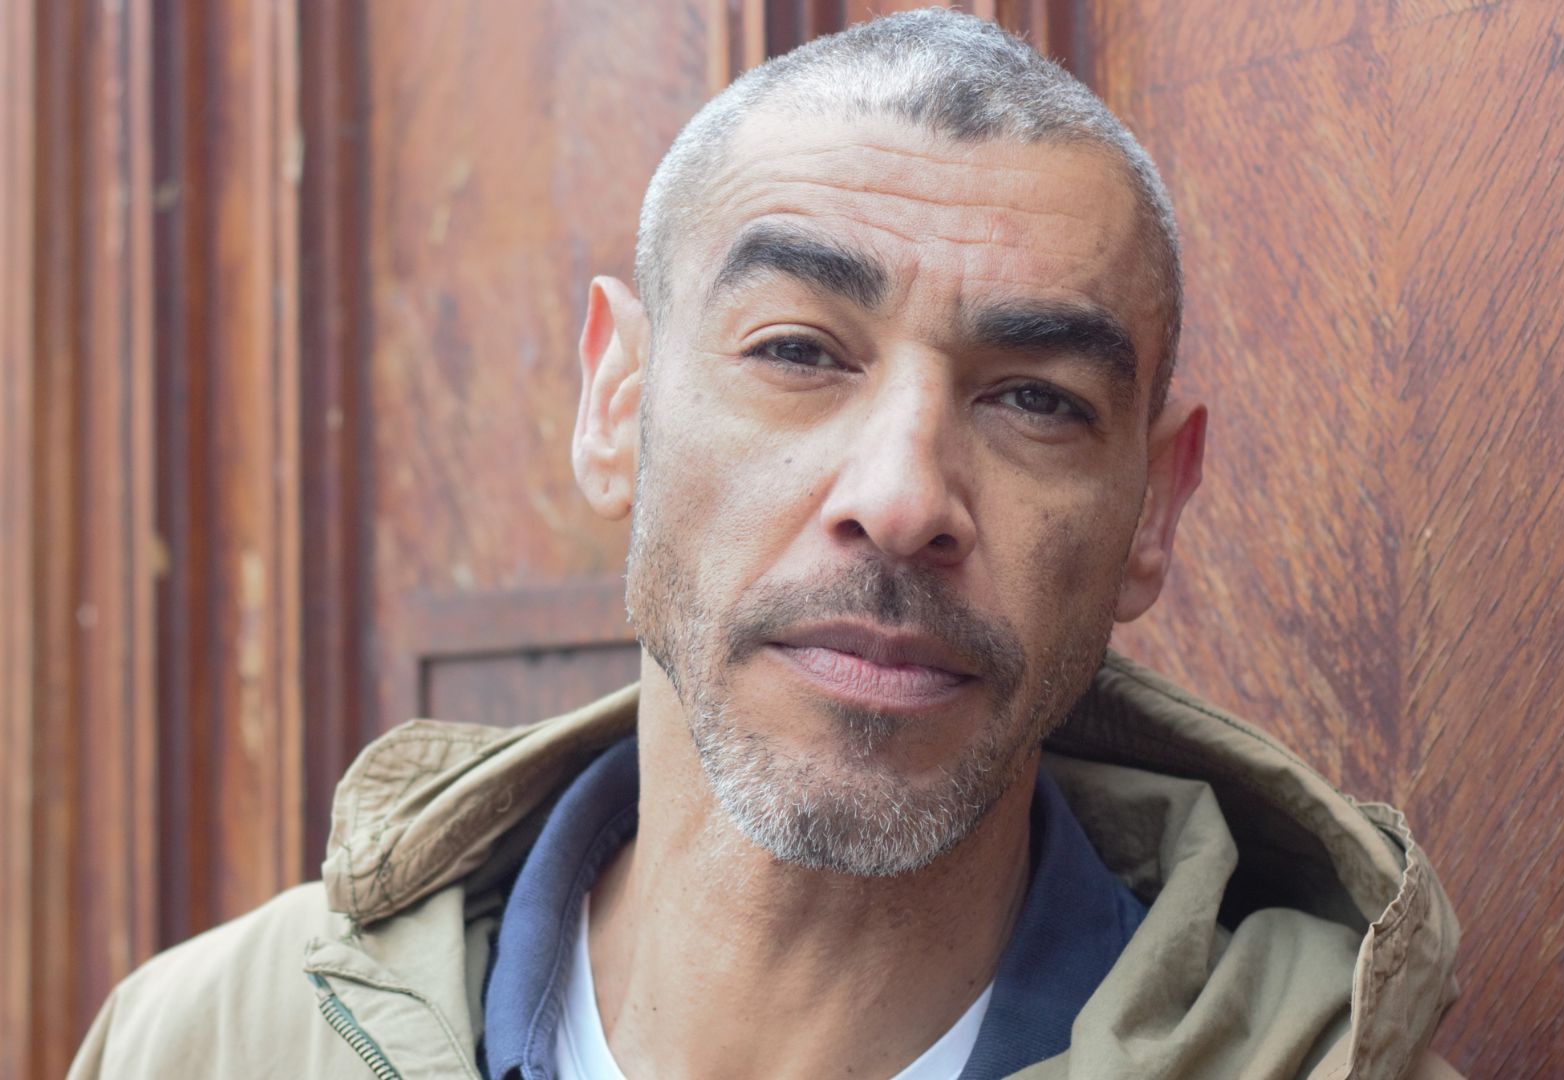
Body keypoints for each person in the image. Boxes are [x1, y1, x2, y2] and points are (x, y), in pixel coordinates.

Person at [70, 10, 1459, 1079]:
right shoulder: (210, 1041)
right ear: (618, 405)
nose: (902, 498)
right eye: (798, 350)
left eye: (1035, 400)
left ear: (1150, 509)